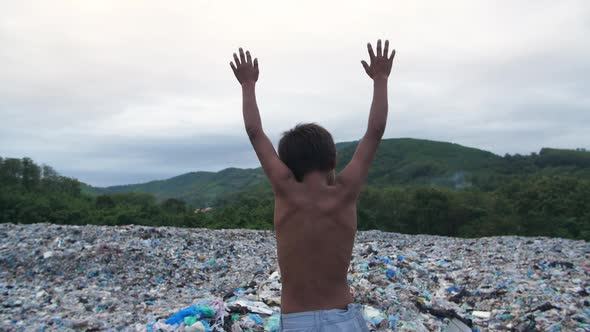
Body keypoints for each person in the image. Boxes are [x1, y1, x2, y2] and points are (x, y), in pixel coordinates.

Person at [230, 39, 395, 331]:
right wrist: (380, 80)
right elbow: (375, 131)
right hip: (343, 319)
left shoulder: (285, 189)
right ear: (333, 160)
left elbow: (255, 132)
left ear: (288, 164)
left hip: (297, 321)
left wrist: (248, 84)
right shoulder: (345, 193)